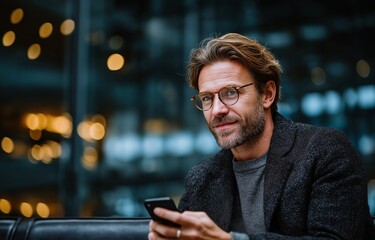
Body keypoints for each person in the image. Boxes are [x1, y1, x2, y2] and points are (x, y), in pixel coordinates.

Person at [148, 33, 375, 239]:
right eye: (207, 98)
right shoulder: (202, 179)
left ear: (267, 94)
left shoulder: (325, 151)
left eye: (230, 93)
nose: (217, 110)